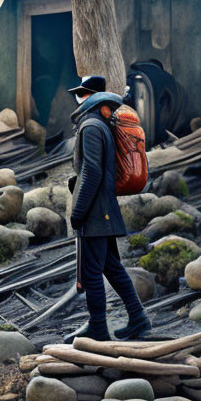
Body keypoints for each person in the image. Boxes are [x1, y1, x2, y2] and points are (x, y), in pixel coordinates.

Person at [66, 83, 151, 342]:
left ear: (90, 99)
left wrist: (78, 212)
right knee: (111, 267)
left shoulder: (91, 126)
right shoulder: (99, 124)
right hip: (104, 208)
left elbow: (91, 172)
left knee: (92, 271)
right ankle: (138, 319)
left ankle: (98, 328)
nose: (78, 99)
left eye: (81, 94)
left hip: (95, 211)